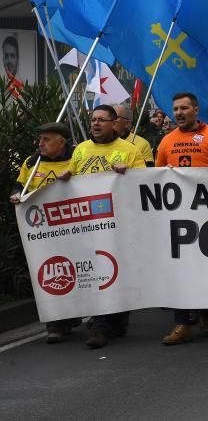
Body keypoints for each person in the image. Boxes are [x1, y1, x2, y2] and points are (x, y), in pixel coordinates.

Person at [58, 105, 145, 349]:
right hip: (88, 225)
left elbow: (144, 183)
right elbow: (72, 179)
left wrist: (128, 174)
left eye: (101, 120)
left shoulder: (129, 151)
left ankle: (114, 321)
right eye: (93, 120)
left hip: (119, 223)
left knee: (117, 272)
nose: (95, 124)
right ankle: (100, 324)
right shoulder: (81, 150)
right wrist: (65, 177)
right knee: (98, 272)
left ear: (114, 123)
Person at [156, 93, 208, 346]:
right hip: (178, 218)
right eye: (175, 108)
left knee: (206, 268)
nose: (178, 112)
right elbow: (157, 178)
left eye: (184, 108)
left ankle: (206, 316)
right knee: (181, 269)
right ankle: (182, 323)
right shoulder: (167, 141)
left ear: (196, 110)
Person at [9, 122, 79, 344]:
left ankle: (75, 315)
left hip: (75, 226)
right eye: (40, 139)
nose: (40, 144)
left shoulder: (77, 157)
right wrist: (16, 195)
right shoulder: (32, 162)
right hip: (45, 230)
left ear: (61, 141)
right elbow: (19, 186)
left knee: (77, 271)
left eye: (46, 139)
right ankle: (55, 323)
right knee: (51, 272)